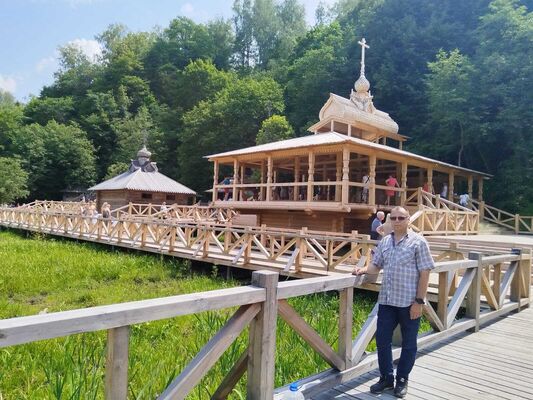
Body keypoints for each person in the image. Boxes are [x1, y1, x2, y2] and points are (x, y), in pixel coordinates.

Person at [353, 206, 434, 398]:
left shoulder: (418, 242)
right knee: (382, 340)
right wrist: (363, 270)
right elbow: (376, 265)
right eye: (394, 218)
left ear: (408, 220)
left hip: (409, 302)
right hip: (387, 301)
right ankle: (386, 378)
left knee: (409, 343)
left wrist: (419, 301)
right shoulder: (385, 242)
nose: (397, 221)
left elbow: (425, 272)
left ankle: (402, 379)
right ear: (390, 220)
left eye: (401, 218)